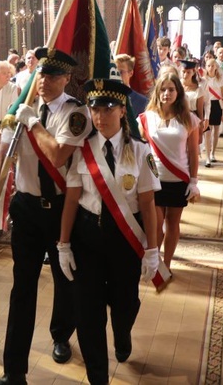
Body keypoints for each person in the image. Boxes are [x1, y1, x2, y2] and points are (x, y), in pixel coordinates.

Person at [0, 48, 91, 385]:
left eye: (54, 75)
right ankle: (14, 370)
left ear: (67, 78)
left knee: (64, 280)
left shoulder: (76, 114)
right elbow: (1, 157)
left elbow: (57, 156)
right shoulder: (22, 108)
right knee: (22, 289)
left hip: (61, 212)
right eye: (42, 74)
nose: (45, 81)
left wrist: (33, 121)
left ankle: (60, 334)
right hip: (26, 209)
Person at [58, 79, 160, 383]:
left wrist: (152, 251)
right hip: (87, 236)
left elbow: (148, 204)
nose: (100, 116)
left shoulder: (140, 152)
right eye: (95, 108)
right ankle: (98, 377)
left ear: (122, 108)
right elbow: (73, 198)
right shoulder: (82, 150)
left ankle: (123, 332)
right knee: (88, 312)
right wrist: (63, 243)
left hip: (124, 239)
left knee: (125, 302)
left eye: (108, 108)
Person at [138, 70, 201, 270]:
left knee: (172, 224)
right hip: (154, 179)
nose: (167, 93)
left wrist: (193, 181)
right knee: (156, 224)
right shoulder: (146, 118)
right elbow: (141, 149)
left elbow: (193, 152)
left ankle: (166, 263)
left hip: (178, 178)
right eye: (163, 89)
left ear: (178, 92)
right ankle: (154, 262)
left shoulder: (189, 119)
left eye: (171, 89)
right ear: (157, 92)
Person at [202, 58, 223, 166]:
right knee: (207, 131)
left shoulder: (220, 79)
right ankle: (207, 157)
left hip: (217, 104)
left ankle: (213, 153)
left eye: (213, 65)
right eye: (208, 66)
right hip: (207, 105)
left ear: (216, 67)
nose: (211, 68)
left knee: (216, 130)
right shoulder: (203, 80)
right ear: (206, 67)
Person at [179, 60, 206, 132]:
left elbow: (200, 109)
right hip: (178, 117)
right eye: (183, 72)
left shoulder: (198, 89)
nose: (185, 75)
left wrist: (201, 122)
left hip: (192, 118)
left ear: (193, 72)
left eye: (188, 72)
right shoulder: (177, 85)